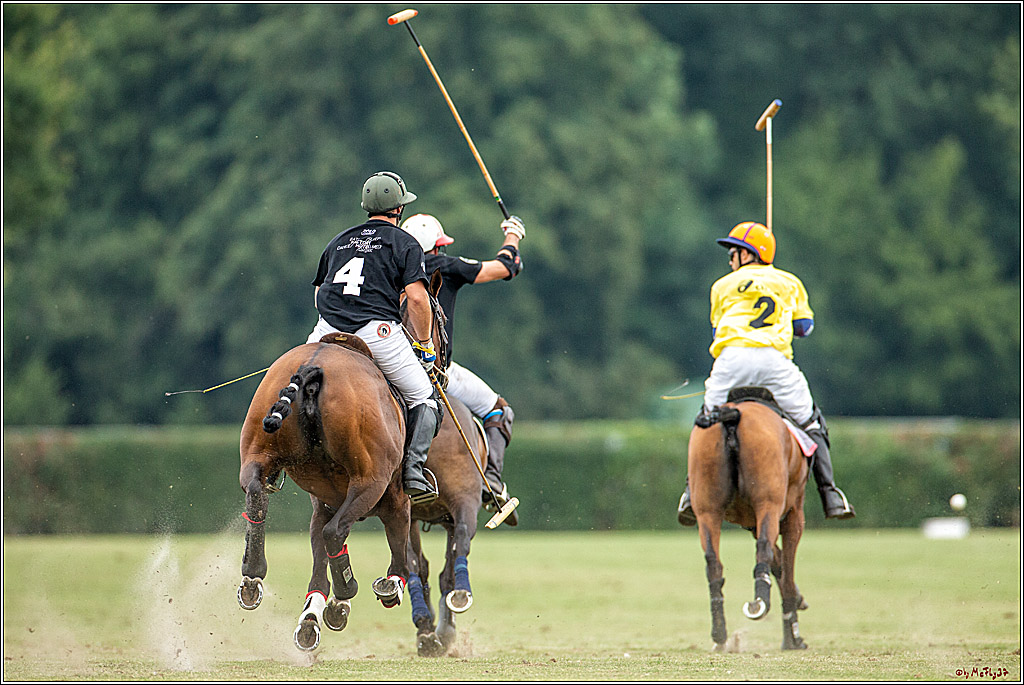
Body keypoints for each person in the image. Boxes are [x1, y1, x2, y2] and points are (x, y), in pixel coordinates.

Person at [677, 221, 855, 525]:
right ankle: (830, 493)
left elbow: (718, 330)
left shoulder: (721, 286)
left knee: (705, 421)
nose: (730, 260)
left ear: (748, 254)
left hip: (732, 361)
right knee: (811, 422)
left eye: (733, 253)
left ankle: (691, 493)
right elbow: (804, 328)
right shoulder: (789, 282)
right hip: (774, 363)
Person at [305, 171, 441, 505]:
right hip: (376, 333)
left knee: (292, 384)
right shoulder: (404, 243)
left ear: (366, 206)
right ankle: (413, 472)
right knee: (424, 397)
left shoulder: (339, 240)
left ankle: (277, 458)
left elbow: (320, 293)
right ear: (399, 208)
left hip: (326, 329)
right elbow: (418, 300)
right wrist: (425, 345)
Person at [399, 212, 524, 514]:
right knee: (499, 410)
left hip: (392, 366)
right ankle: (491, 482)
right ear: (436, 247)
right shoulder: (444, 266)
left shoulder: (390, 269)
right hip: (437, 371)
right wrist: (513, 236)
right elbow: (504, 267)